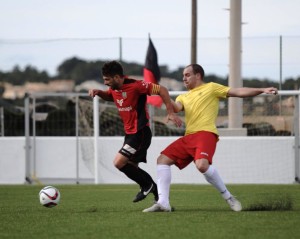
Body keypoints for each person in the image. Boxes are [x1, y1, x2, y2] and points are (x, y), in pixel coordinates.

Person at [143, 63, 278, 212]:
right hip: (189, 136)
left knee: (201, 165)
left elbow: (238, 91)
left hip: (205, 134)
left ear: (198, 75)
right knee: (162, 160)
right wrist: (164, 95)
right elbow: (175, 107)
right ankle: (163, 203)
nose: (184, 79)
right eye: (183, 76)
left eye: (187, 75)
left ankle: (228, 197)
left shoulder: (211, 88)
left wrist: (262, 90)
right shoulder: (184, 96)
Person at [89, 60, 182, 203]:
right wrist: (99, 93)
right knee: (131, 167)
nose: (106, 83)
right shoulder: (114, 88)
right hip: (130, 134)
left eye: (107, 79)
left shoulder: (136, 86)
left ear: (117, 77)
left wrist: (170, 112)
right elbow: (111, 95)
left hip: (140, 133)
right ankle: (159, 198)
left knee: (118, 162)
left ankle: (148, 185)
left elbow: (162, 90)